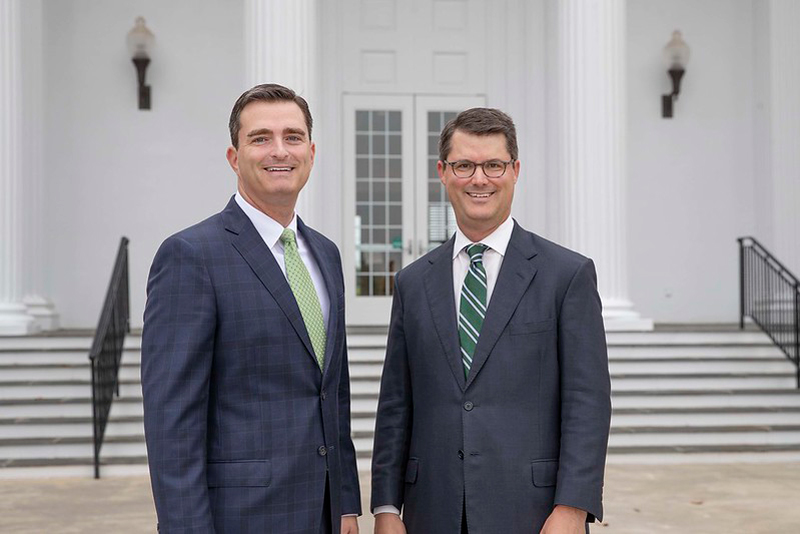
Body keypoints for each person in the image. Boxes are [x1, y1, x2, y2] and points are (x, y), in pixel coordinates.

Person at [370, 108, 611, 533]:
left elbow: (587, 403)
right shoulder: (412, 282)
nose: (479, 179)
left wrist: (573, 507)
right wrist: (386, 507)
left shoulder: (566, 275)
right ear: (443, 173)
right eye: (464, 165)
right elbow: (395, 404)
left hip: (534, 515)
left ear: (515, 170)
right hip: (432, 512)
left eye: (493, 165)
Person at [141, 83, 361, 534]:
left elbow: (332, 397)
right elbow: (173, 423)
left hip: (323, 516)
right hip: (240, 520)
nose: (279, 150)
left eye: (293, 137)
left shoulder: (326, 254)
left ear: (312, 152)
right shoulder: (191, 255)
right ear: (233, 156)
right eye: (260, 138)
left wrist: (346, 507)